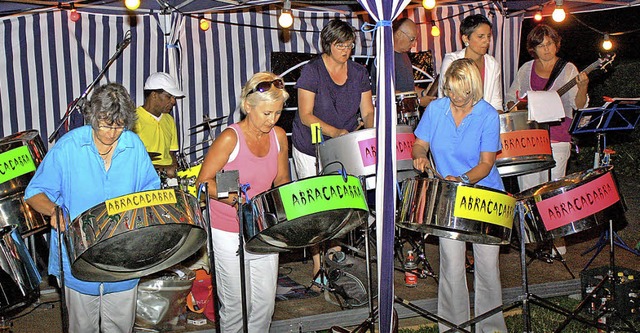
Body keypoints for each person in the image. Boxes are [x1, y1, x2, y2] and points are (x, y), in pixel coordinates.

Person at [24, 83, 160, 333]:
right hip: (78, 259)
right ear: (93, 117)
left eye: (119, 125)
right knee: (81, 327)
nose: (111, 133)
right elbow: (34, 193)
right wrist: (54, 211)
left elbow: (151, 193)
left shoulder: (133, 146)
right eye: (106, 124)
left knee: (120, 327)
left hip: (123, 260)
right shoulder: (68, 147)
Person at [412, 58, 507, 333]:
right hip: (448, 195)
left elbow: (486, 163)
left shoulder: (487, 114)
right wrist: (419, 157)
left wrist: (463, 179)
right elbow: (419, 144)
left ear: (473, 89)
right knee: (451, 265)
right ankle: (453, 328)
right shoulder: (436, 109)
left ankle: (491, 328)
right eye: (450, 91)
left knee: (487, 267)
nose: (454, 98)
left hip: (484, 194)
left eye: (461, 93)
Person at [196, 72, 290, 332]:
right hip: (227, 231)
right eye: (267, 113)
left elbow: (281, 178)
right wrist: (230, 196)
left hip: (263, 229)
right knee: (235, 307)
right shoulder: (230, 138)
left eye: (278, 113)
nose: (272, 120)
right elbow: (203, 182)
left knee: (263, 305)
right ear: (248, 106)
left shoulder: (279, 136)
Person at [291, 19, 375, 282]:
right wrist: (336, 132)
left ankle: (334, 254)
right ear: (328, 44)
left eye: (350, 45)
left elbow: (368, 111)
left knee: (340, 202)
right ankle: (318, 265)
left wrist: (370, 132)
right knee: (318, 206)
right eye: (341, 45)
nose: (346, 50)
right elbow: (305, 115)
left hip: (345, 146)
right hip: (310, 145)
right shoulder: (312, 72)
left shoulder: (359, 72)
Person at [506, 24, 589, 255]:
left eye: (550, 44)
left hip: (559, 137)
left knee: (554, 190)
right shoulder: (526, 69)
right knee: (529, 189)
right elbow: (511, 99)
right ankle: (531, 240)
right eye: (541, 45)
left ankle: (557, 243)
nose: (546, 49)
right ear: (532, 48)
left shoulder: (568, 69)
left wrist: (583, 88)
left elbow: (579, 105)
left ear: (557, 44)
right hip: (530, 139)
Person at [438, 14, 503, 112]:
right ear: (465, 39)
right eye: (481, 37)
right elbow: (445, 98)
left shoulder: (492, 64)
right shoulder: (451, 61)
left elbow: (496, 103)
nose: (487, 41)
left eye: (488, 36)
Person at [371, 18, 435, 107]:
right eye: (412, 39)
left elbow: (407, 90)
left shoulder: (404, 55)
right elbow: (387, 94)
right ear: (398, 34)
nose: (414, 44)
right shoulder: (385, 57)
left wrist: (423, 93)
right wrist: (418, 101)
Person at [133, 72, 184, 178]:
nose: (173, 101)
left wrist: (175, 168)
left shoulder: (169, 120)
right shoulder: (133, 119)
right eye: (169, 96)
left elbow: (171, 153)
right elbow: (130, 162)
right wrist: (164, 170)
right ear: (154, 95)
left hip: (167, 181)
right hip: (144, 179)